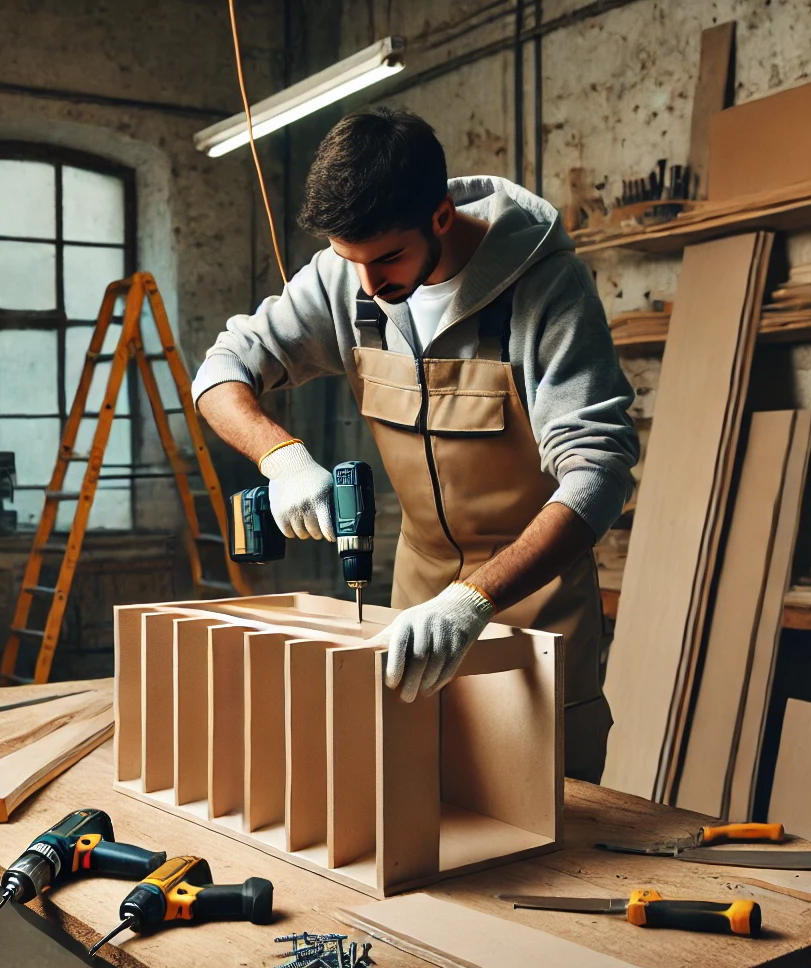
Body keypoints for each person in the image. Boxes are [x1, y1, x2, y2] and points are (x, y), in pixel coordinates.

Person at [192, 106, 638, 782]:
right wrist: (280, 457)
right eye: (351, 261)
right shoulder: (348, 276)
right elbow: (220, 372)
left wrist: (472, 601)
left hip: (533, 606)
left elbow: (597, 474)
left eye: (386, 259)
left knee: (542, 832)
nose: (370, 286)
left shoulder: (544, 289)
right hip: (412, 604)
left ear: (439, 216)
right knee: (414, 810)